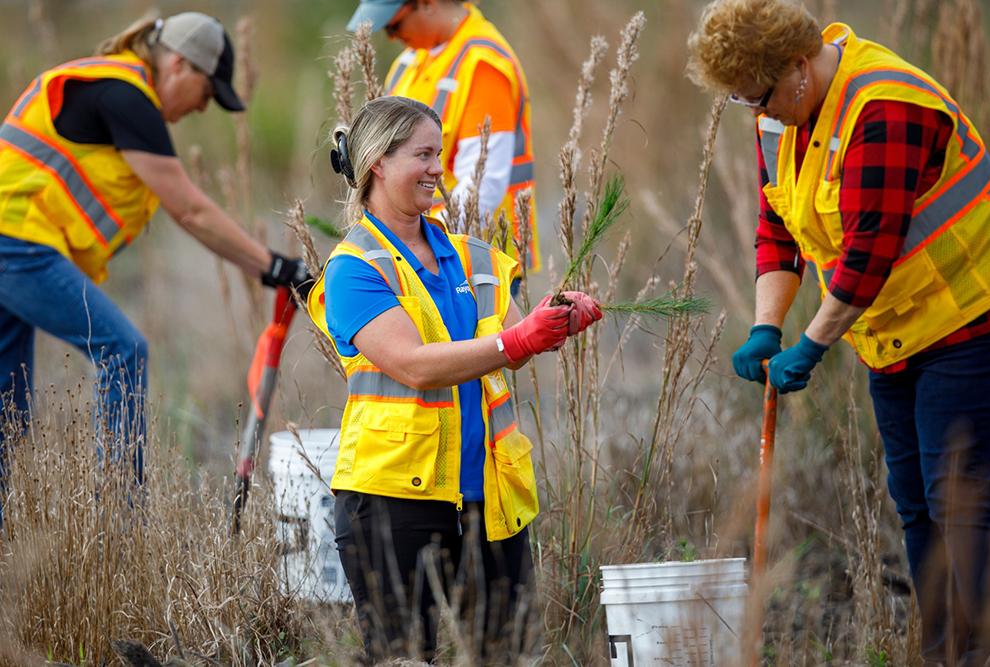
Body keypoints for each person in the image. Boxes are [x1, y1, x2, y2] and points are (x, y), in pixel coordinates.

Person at [687, 1, 990, 664]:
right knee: (916, 505)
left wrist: (813, 343)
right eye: (745, 103)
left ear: (798, 64)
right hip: (893, 335)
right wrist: (767, 326)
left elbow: (869, 251)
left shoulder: (883, 107)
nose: (758, 113)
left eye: (762, 97)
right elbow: (777, 225)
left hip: (971, 317)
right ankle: (945, 651)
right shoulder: (780, 115)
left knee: (958, 497)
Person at [307, 96, 600, 664]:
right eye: (423, 154)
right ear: (378, 165)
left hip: (488, 498)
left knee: (507, 657)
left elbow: (513, 347)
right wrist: (520, 339)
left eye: (438, 153)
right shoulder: (353, 269)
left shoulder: (471, 256)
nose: (438, 168)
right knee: (405, 658)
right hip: (391, 500)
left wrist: (556, 317)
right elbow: (414, 364)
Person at [0, 13, 312, 498]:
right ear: (182, 65)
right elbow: (190, 209)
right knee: (121, 350)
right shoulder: (126, 96)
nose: (203, 108)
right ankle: (122, 528)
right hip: (14, 244)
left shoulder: (112, 86)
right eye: (208, 94)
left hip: (15, 240)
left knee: (8, 411)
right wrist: (274, 267)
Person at [346, 0, 540, 284]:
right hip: (417, 255)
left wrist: (421, 244)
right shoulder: (408, 63)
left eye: (394, 24)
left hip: (475, 264)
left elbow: (483, 187)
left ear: (427, 3)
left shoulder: (482, 65)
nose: (390, 36)